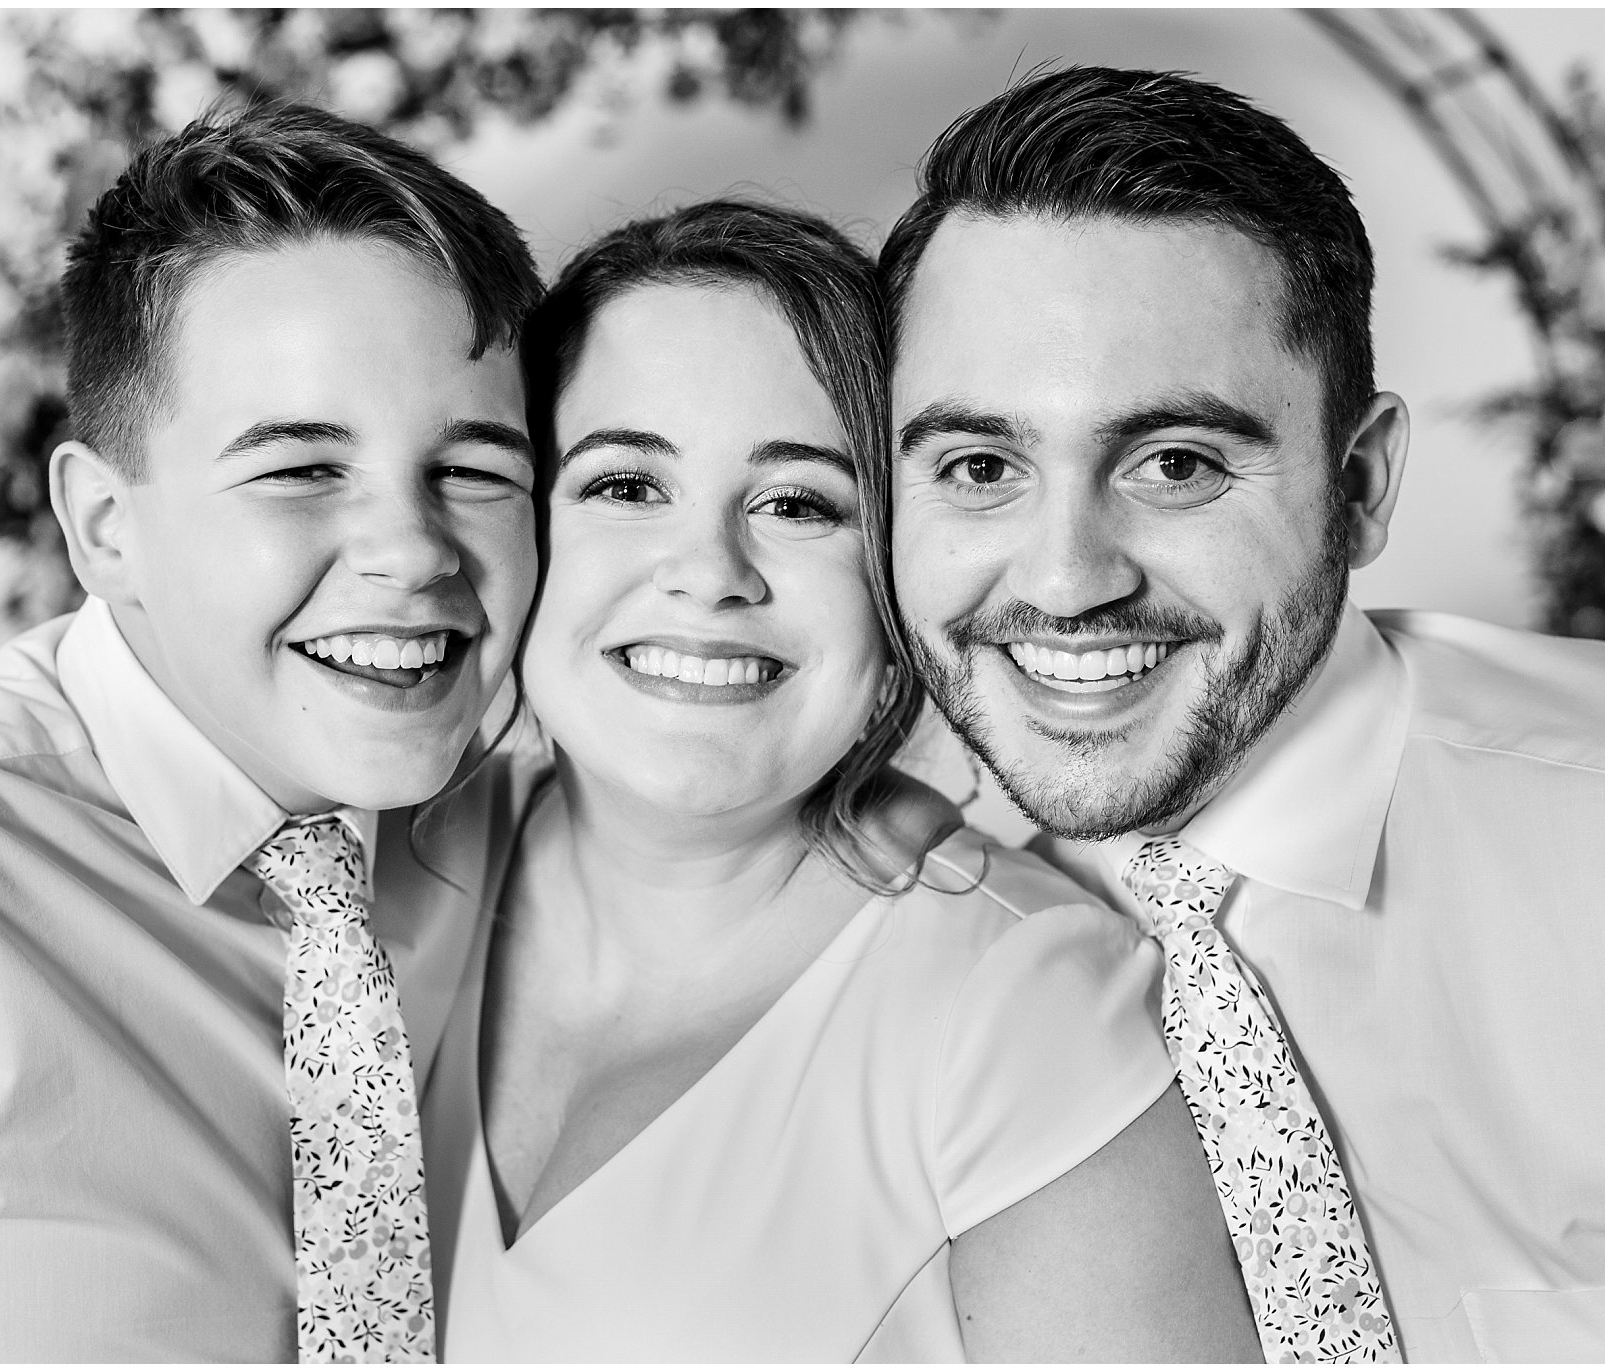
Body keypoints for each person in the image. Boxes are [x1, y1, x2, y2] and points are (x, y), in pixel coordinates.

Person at [883, 65, 1605, 1363]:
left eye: (1176, 464)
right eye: (981, 468)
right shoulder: (853, 923)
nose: (1065, 580)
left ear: (1362, 483)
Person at [0, 103, 542, 1361]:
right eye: (300, 469)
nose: (413, 553)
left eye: (474, 469)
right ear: (103, 524)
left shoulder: (520, 848)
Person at [416, 198, 1263, 1362]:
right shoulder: (379, 875)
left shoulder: (1021, 1003)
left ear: (895, 580)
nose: (709, 573)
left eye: (799, 503)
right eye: (623, 485)